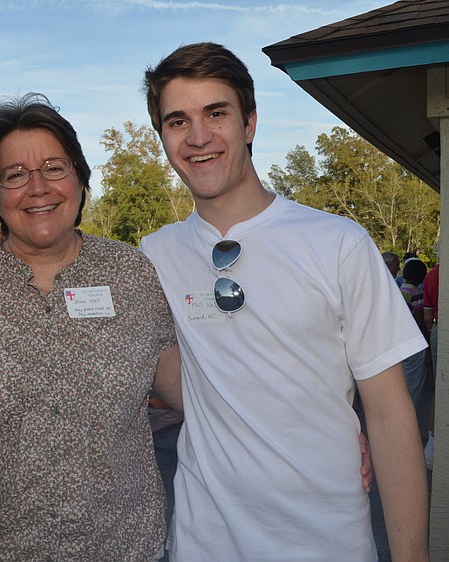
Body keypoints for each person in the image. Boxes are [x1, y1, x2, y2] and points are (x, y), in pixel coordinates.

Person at [137, 42, 428, 561]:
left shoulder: (338, 243)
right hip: (204, 544)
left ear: (249, 123)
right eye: (177, 121)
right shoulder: (153, 255)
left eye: (216, 113)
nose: (198, 137)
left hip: (326, 542)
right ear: (162, 137)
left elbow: (388, 413)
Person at [0, 93, 178, 561]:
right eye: (14, 175)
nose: (37, 188)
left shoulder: (132, 274)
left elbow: (198, 394)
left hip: (126, 548)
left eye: (54, 167)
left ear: (80, 178)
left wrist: (318, 425)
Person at [399, 257, 429, 410]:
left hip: (399, 340)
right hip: (413, 341)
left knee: (402, 380)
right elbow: (420, 320)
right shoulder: (416, 294)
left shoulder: (399, 290)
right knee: (414, 384)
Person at [423, 262, 439, 468]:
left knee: (439, 390)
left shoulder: (433, 274)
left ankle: (432, 448)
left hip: (437, 330)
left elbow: (428, 316)